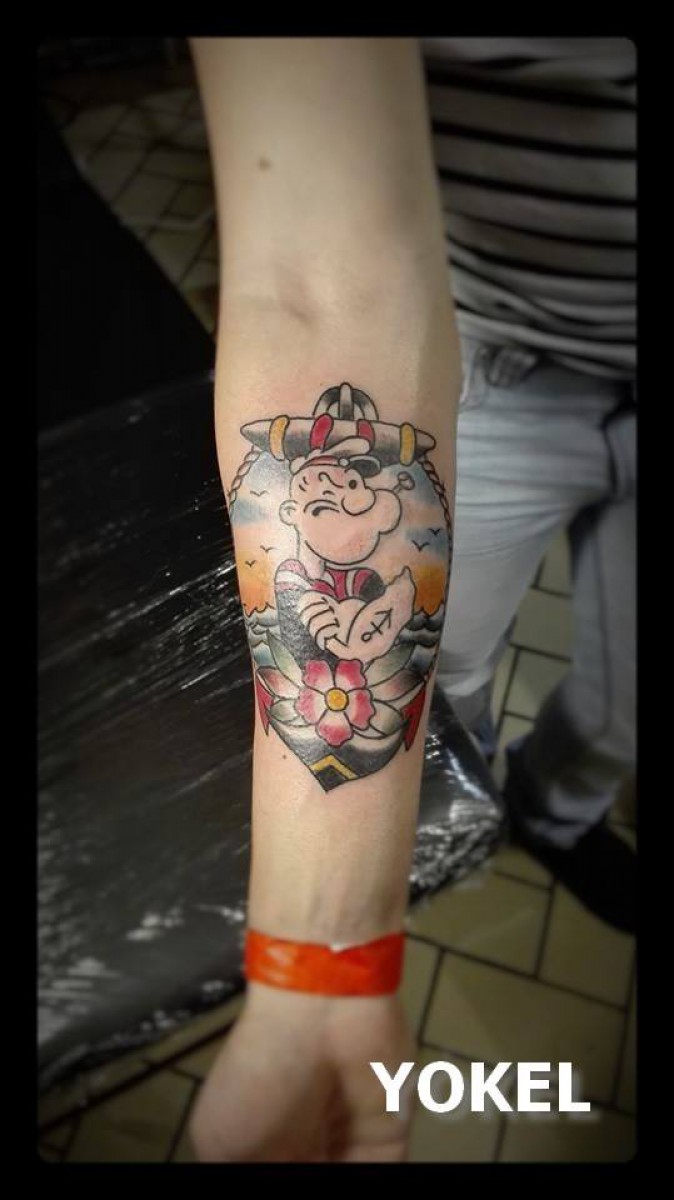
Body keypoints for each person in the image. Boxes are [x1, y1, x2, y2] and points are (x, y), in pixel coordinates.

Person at [188, 37, 636, 1163]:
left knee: (626, 706)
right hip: (496, 364)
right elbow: (319, 291)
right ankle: (468, 812)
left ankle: (555, 817)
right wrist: (320, 970)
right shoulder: (362, 492)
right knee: (446, 674)